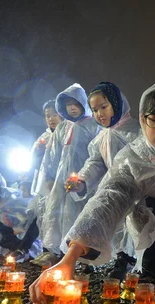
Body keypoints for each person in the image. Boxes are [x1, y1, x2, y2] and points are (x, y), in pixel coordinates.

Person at [29, 79, 155, 304]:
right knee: (150, 205)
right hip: (153, 226)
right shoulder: (134, 156)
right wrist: (70, 257)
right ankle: (150, 271)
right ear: (143, 119)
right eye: (152, 120)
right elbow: (109, 197)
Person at [67, 82, 140, 280]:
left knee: (134, 223)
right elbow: (95, 163)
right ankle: (120, 257)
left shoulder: (136, 130)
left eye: (104, 107)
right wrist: (81, 181)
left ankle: (130, 259)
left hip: (138, 187)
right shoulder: (101, 138)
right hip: (115, 187)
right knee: (116, 222)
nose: (99, 113)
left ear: (116, 104)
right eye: (95, 110)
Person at [40, 83, 97, 256]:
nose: (72, 108)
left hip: (85, 180)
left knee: (84, 216)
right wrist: (50, 177)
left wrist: (86, 180)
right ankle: (60, 252)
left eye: (75, 103)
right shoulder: (63, 128)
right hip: (61, 180)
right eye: (68, 104)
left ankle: (84, 256)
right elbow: (52, 156)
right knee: (60, 214)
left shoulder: (93, 125)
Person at [31, 100, 63, 195]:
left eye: (54, 115)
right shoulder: (44, 137)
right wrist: (38, 151)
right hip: (44, 183)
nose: (51, 119)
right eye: (48, 116)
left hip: (60, 181)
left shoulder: (67, 134)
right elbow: (34, 164)